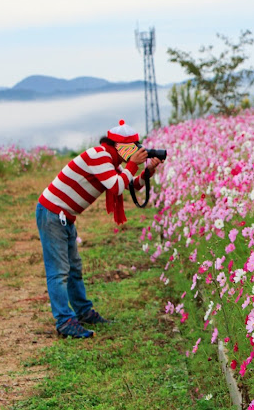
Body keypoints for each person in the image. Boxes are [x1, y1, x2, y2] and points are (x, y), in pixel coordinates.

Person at [35, 120, 162, 338]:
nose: (137, 151)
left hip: (64, 216)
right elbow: (116, 186)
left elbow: (129, 185)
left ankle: (83, 312)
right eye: (133, 147)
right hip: (53, 214)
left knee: (74, 268)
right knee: (59, 271)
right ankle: (64, 322)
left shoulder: (112, 162)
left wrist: (147, 171)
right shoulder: (99, 156)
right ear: (121, 146)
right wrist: (132, 164)